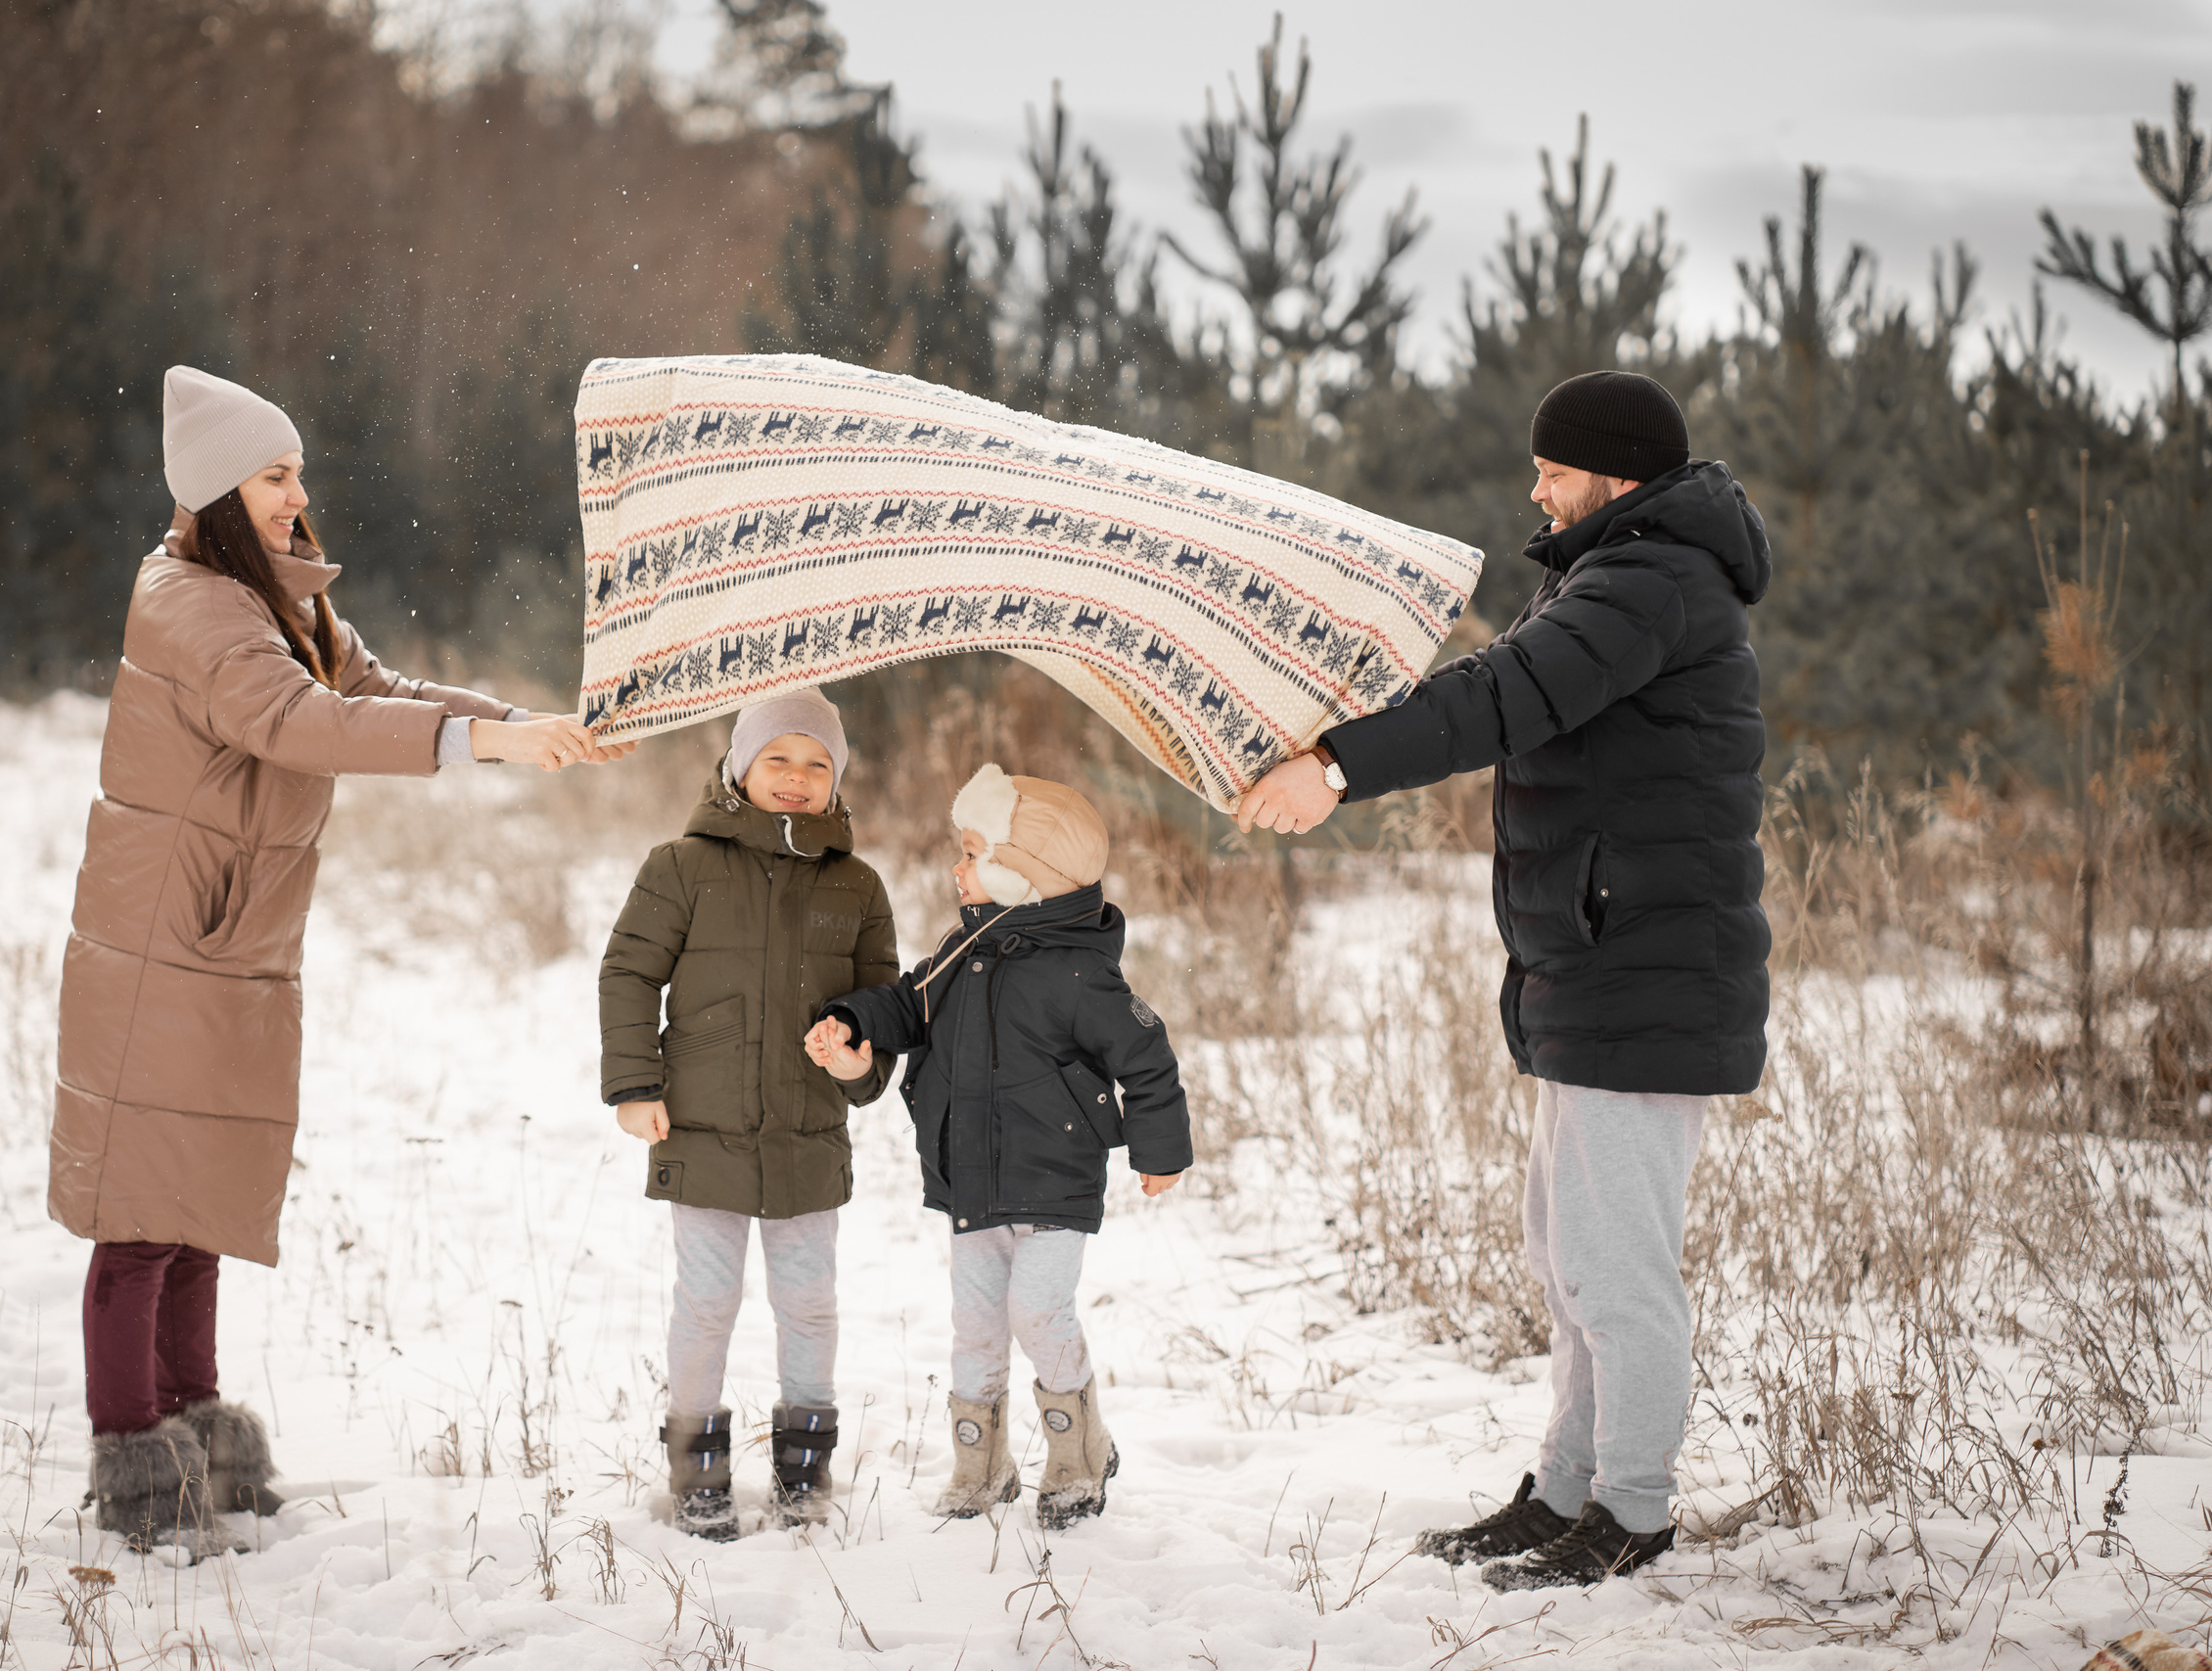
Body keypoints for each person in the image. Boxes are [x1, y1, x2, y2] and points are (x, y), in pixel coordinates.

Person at [53, 365, 623, 1556]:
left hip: (231, 935)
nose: (295, 493)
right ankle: (134, 1458)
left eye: (296, 471)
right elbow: (302, 724)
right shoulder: (193, 604)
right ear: (217, 489)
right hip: (168, 940)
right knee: (141, 1214)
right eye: (273, 474)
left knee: (197, 1196)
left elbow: (370, 686)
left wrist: (519, 730)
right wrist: (476, 745)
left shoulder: (277, 602)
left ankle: (198, 1427)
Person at [1235, 370, 1772, 1589]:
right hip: (1601, 968)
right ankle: (1566, 1488)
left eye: (1553, 468)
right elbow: (1505, 683)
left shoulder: (1649, 581)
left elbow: (1507, 694)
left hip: (1640, 972)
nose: (1533, 487)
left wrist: (1336, 769)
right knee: (1567, 1252)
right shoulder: (1612, 572)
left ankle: (1629, 1513)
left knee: (1614, 1267)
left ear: (1617, 475)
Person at [806, 764, 1190, 1531]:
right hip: (971, 1180)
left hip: (1054, 1178)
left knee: (1038, 1312)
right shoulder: (962, 948)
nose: (958, 865)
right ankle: (981, 1466)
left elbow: (1147, 1055)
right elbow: (911, 1002)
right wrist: (855, 1017)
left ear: (1024, 870)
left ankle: (1080, 1456)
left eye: (975, 849)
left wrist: (1160, 1150)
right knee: (976, 1323)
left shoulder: (1080, 973)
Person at [599, 688, 899, 1540]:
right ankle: (697, 1467)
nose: (797, 778)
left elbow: (883, 1002)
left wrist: (859, 1058)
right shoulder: (681, 866)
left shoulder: (857, 884)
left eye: (816, 764)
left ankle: (804, 1466)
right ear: (740, 766)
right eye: (778, 759)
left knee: (809, 1302)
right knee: (707, 1299)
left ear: (836, 779)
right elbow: (627, 975)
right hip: (702, 1126)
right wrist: (634, 1084)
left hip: (806, 1131)